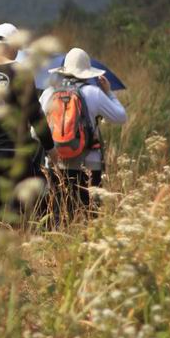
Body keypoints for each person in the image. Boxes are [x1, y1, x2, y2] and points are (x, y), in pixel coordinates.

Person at [40, 47, 127, 216]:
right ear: (86, 72)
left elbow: (34, 131)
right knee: (88, 215)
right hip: (88, 165)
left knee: (59, 214)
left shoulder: (49, 93)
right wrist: (109, 93)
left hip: (55, 163)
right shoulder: (94, 93)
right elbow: (121, 117)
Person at [0, 23, 53, 212]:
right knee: (19, 208)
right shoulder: (20, 71)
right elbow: (34, 113)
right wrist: (49, 145)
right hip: (13, 150)